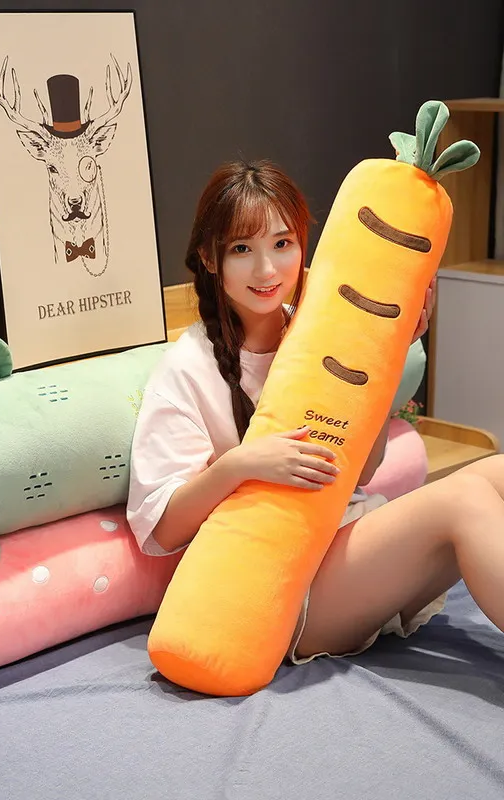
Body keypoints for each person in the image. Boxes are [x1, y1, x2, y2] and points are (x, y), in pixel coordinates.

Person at [127, 159, 504, 663]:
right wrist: (242, 464)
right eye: (242, 249)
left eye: (282, 243)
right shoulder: (187, 369)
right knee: (464, 499)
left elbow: (361, 470)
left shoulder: (316, 330)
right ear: (209, 258)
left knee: (498, 472)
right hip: (281, 587)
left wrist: (389, 352)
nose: (267, 270)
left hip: (347, 540)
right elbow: (162, 529)